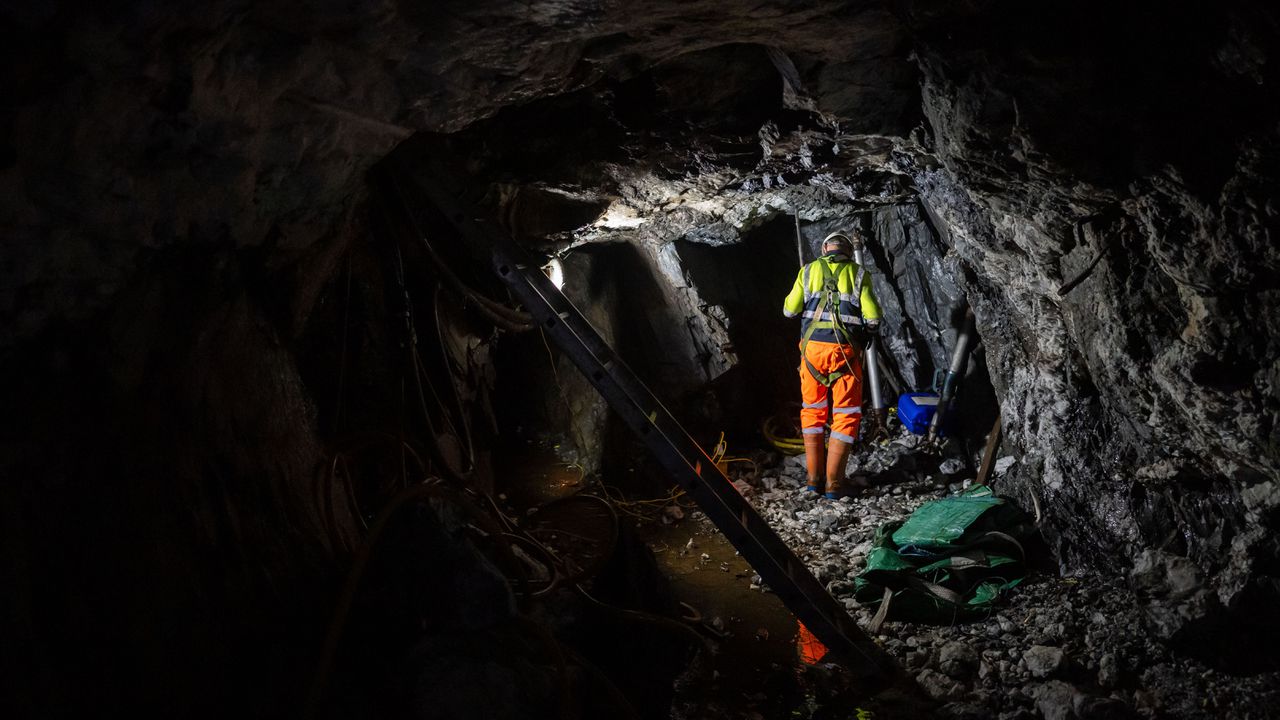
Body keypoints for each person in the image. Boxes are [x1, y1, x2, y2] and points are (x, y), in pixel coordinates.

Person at [782, 231, 881, 499]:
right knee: (846, 414)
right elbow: (873, 316)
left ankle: (813, 480)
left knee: (812, 412)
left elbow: (789, 311)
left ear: (825, 248)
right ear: (848, 251)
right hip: (844, 354)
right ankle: (834, 484)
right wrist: (868, 332)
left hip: (812, 351)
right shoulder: (859, 273)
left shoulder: (808, 270)